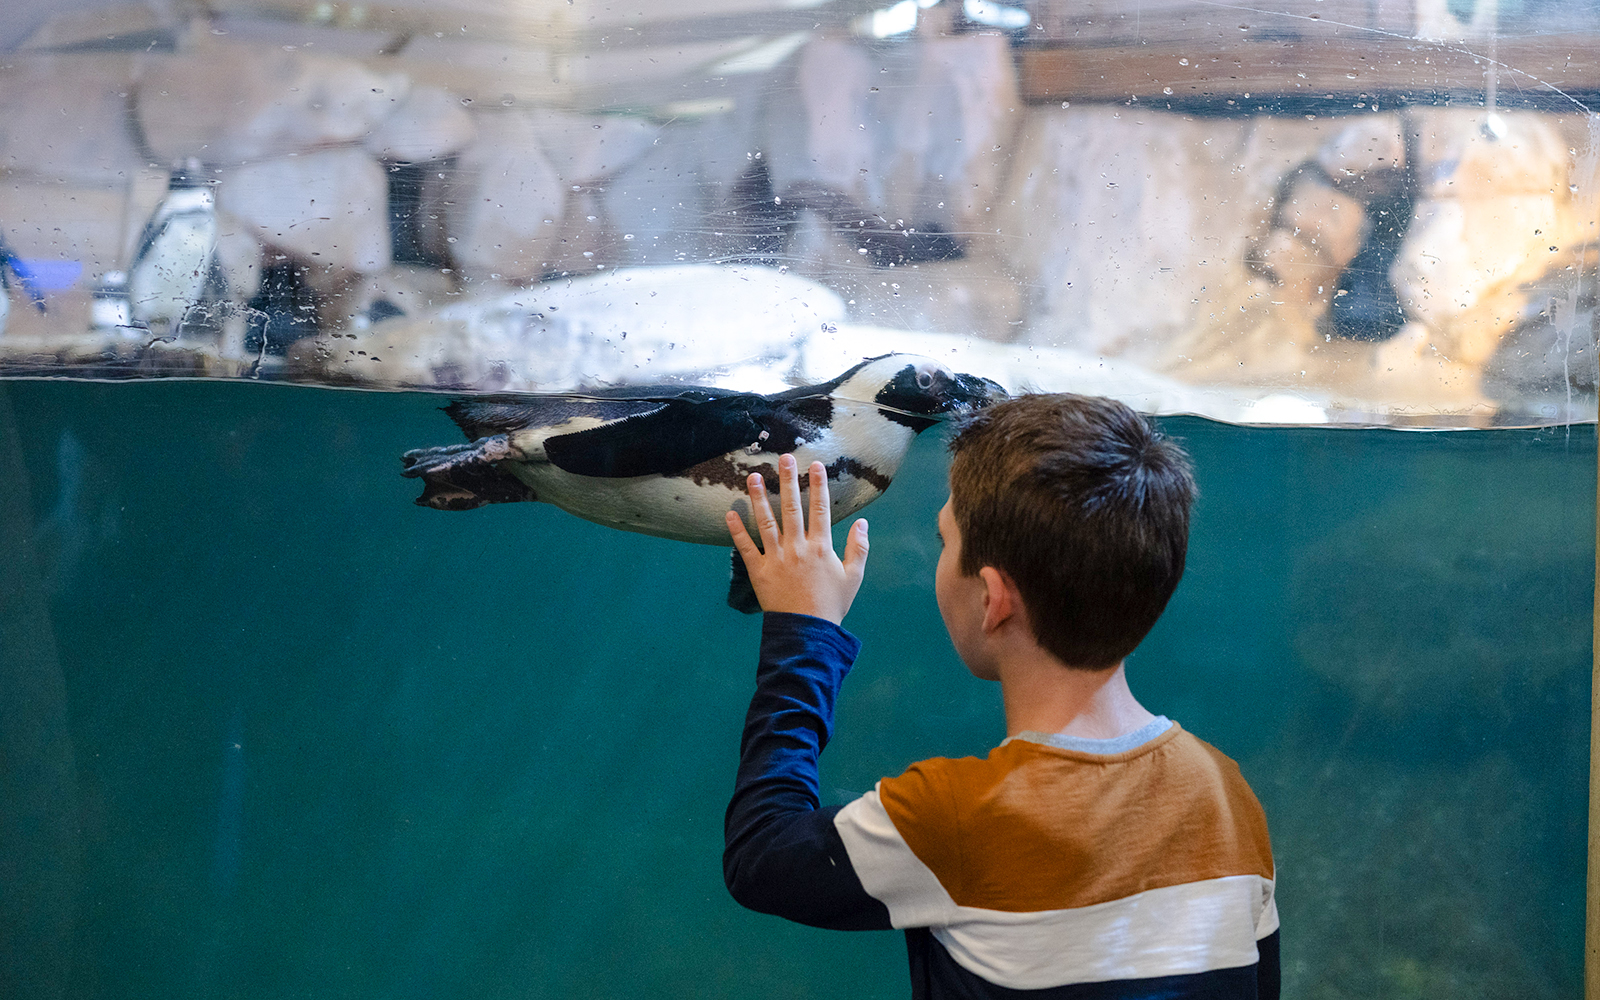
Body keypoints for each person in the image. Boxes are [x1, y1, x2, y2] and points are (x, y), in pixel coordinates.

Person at [721, 392, 1279, 999]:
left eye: (943, 541)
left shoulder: (952, 818)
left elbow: (762, 857)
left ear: (993, 598)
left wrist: (804, 634)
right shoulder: (1229, 797)